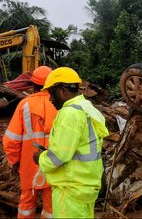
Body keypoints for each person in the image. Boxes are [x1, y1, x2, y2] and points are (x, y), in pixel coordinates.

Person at [33, 67, 109, 218]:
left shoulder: (69, 114)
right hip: (86, 186)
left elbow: (59, 157)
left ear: (62, 90)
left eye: (51, 94)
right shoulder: (87, 108)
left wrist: (41, 157)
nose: (50, 99)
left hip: (70, 188)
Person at [3, 66, 57, 218]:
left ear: (33, 85)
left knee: (26, 203)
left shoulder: (24, 105)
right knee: (51, 205)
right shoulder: (58, 105)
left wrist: (14, 161)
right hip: (53, 164)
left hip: (28, 164)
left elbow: (11, 139)